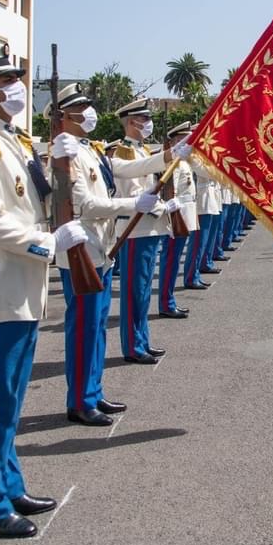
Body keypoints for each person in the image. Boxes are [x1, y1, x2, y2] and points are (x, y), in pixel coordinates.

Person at [0, 43, 89, 538]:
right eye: (9, 82)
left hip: (21, 291)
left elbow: (37, 196)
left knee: (11, 401)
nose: (18, 89)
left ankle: (8, 483)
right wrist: (50, 244)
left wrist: (60, 163)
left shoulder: (12, 138)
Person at [46, 85, 182, 426]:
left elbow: (125, 170)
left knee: (97, 327)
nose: (89, 111)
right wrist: (131, 204)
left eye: (89, 105)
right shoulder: (64, 152)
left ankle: (93, 391)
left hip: (102, 248)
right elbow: (85, 205)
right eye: (81, 107)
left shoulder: (89, 149)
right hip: (82, 249)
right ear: (66, 116)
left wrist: (172, 154)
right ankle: (79, 400)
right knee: (84, 327)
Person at [112, 98, 180, 364]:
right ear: (132, 122)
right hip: (135, 229)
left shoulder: (140, 151)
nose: (148, 123)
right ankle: (132, 346)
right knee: (134, 291)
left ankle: (143, 339)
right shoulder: (123, 153)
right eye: (144, 119)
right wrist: (162, 208)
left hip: (148, 229)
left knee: (142, 291)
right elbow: (133, 195)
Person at [158, 122, 197, 319]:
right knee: (170, 261)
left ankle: (169, 299)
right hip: (176, 218)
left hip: (184, 216)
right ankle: (166, 302)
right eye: (186, 139)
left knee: (173, 263)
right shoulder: (175, 163)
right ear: (175, 141)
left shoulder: (185, 162)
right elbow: (169, 192)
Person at [185, 158, 223, 289]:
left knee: (206, 239)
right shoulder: (194, 156)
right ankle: (191, 277)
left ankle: (200, 268)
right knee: (198, 242)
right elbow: (209, 172)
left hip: (210, 199)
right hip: (202, 201)